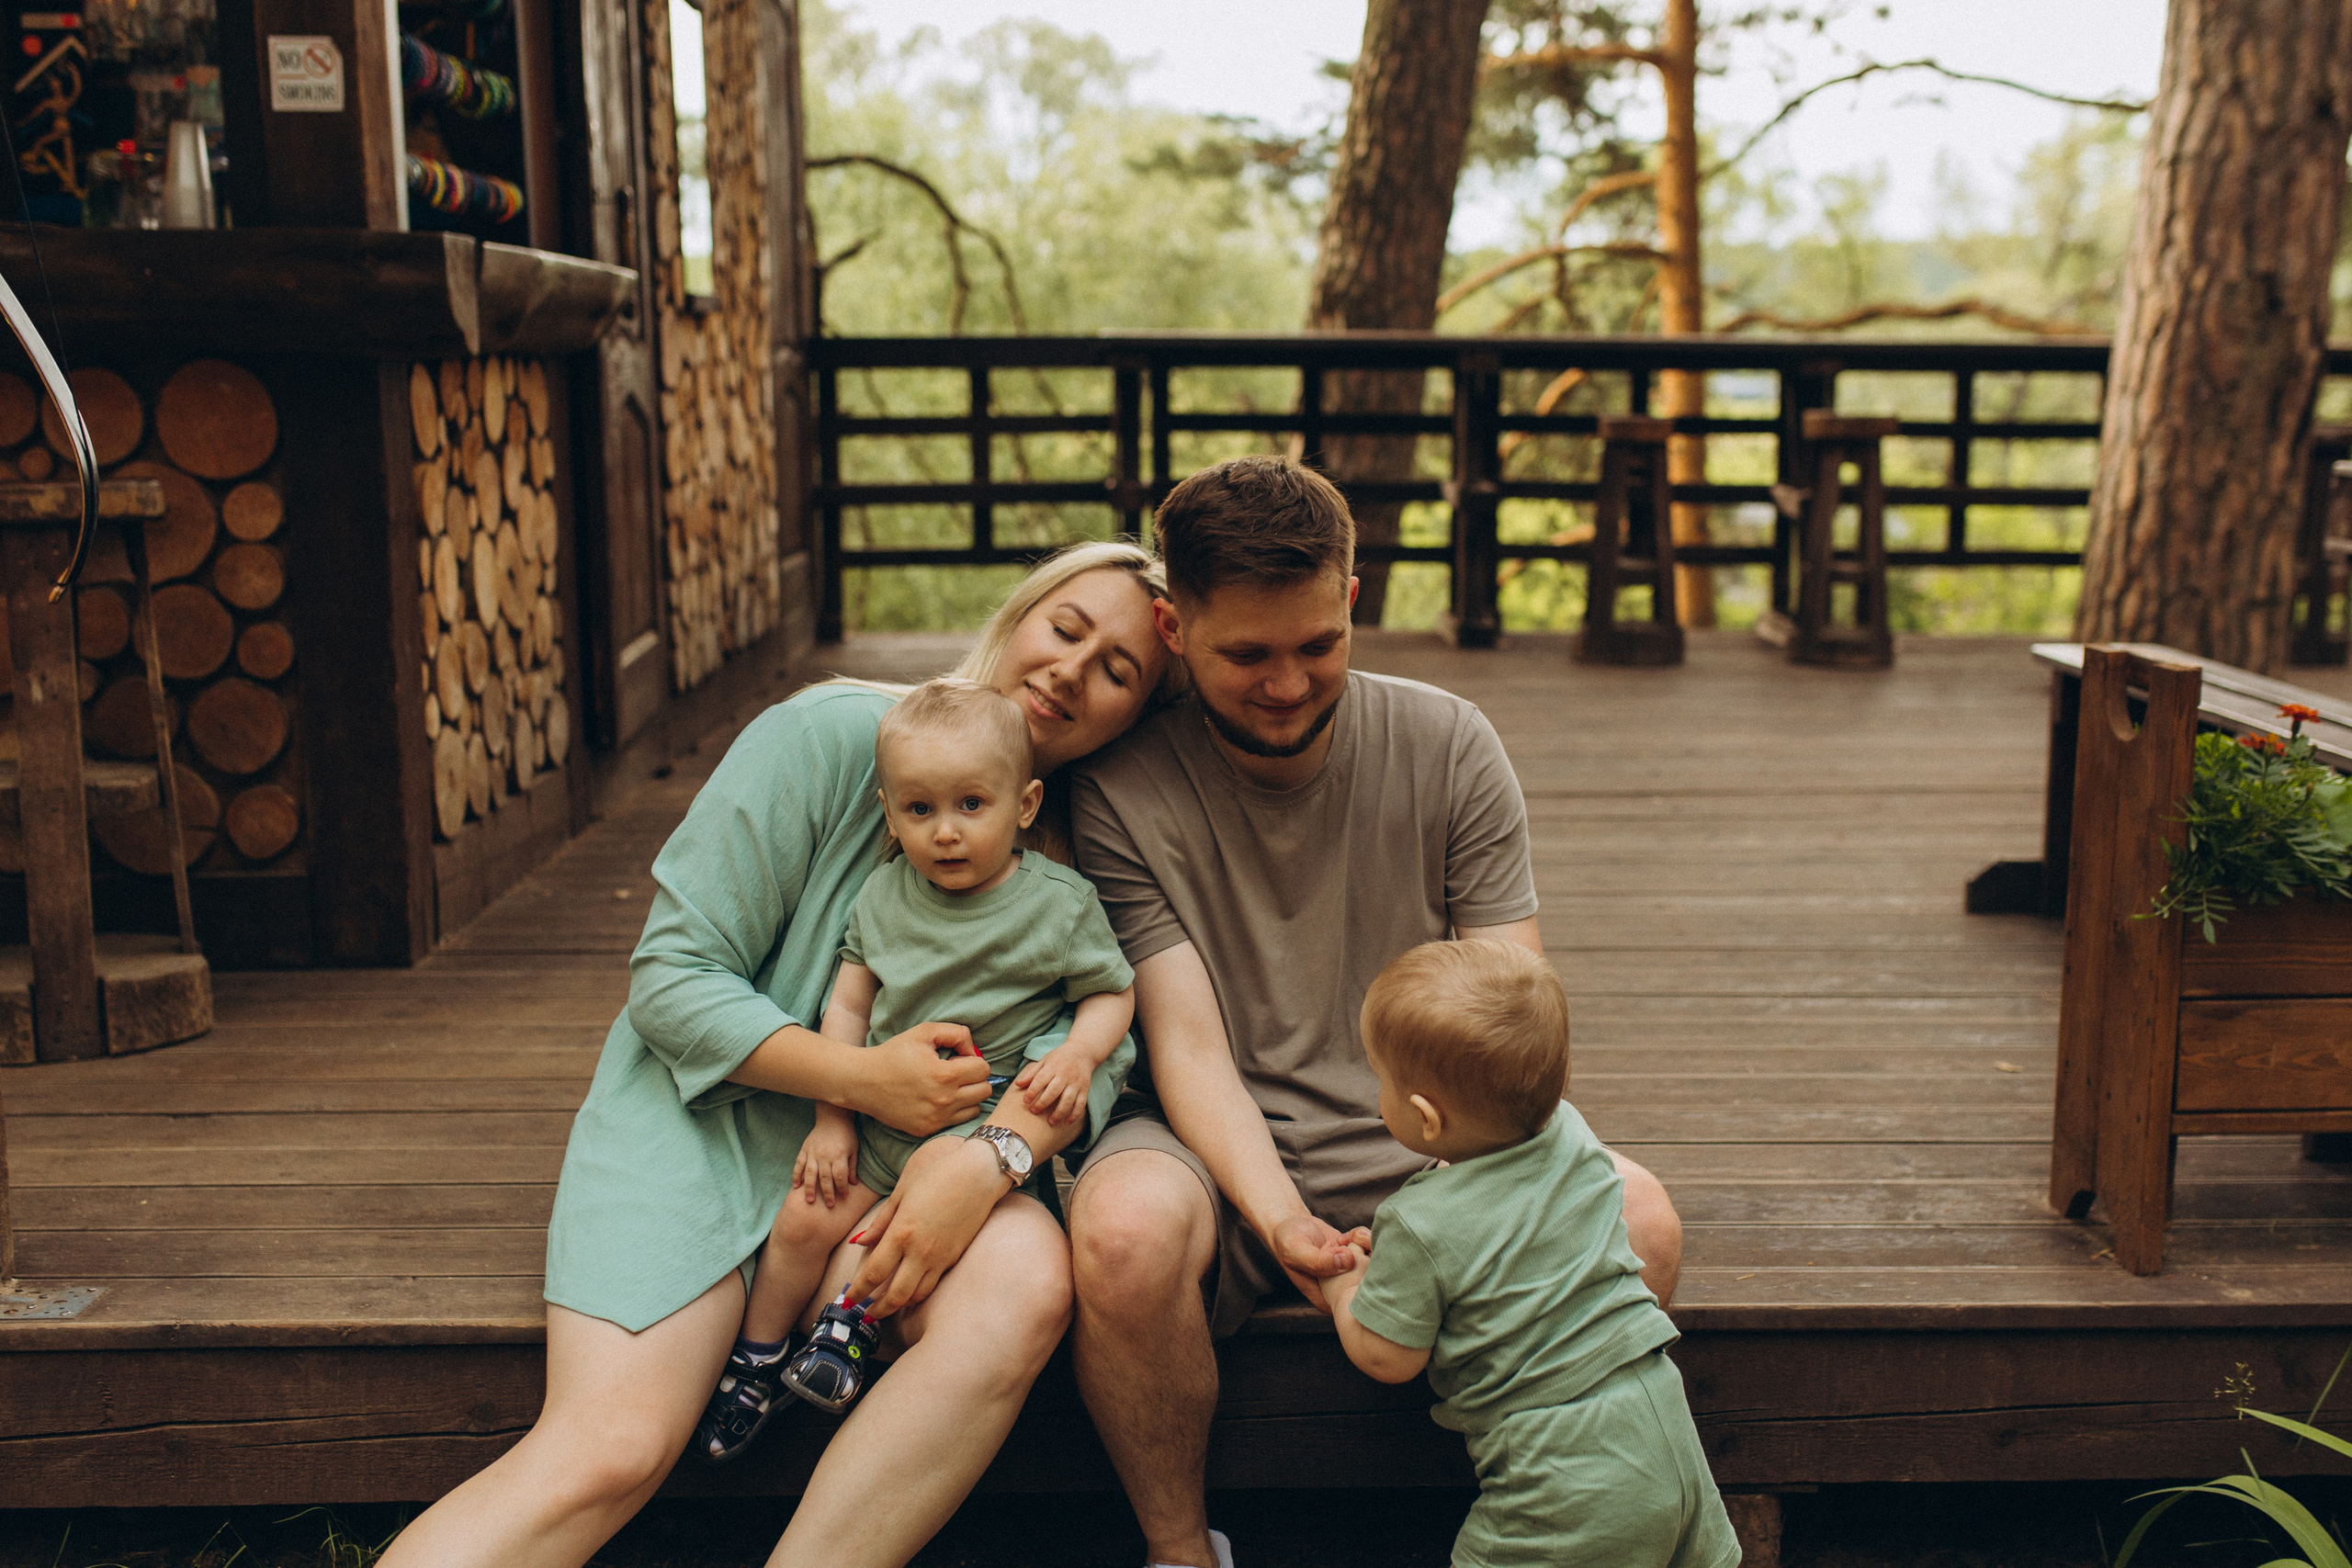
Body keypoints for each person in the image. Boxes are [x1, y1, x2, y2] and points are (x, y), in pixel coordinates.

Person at [379, 540, 1181, 1568]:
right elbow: (672, 979)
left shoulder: (1078, 848)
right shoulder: (832, 735)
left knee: (1027, 1272)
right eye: (1065, 629)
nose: (1073, 670)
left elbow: (1099, 1048)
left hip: (885, 1189)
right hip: (705, 1140)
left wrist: (993, 1160)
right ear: (1019, 616)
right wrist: (863, 1080)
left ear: (1133, 716)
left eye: (1117, 670)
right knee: (610, 1449)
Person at [1065, 456, 1684, 1568]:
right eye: (1245, 655)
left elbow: (1509, 1013)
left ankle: (1543, 1522)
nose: (1288, 684)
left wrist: (1467, 1194)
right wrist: (1280, 1219)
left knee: (1641, 1222)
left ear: (1352, 598)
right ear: (1171, 626)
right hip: (1219, 1140)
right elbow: (1189, 1045)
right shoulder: (1118, 789)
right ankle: (1178, 1549)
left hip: (1442, 1130)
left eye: (1318, 645)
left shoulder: (1449, 742)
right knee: (1120, 1235)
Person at [697, 677, 1135, 1459]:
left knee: (919, 1196)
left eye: (973, 804)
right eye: (920, 809)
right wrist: (833, 1120)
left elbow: (1113, 989)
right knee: (804, 1214)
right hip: (877, 1123)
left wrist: (1078, 1050)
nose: (946, 832)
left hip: (971, 1131)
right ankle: (756, 1357)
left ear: (1025, 805)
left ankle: (848, 1329)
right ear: (890, 813)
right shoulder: (882, 897)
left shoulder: (1058, 905)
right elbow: (849, 1010)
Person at [1326, 940, 1737, 1568]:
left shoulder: (1415, 1219)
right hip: (1667, 1434)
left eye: (1381, 1078)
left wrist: (1347, 1285)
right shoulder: (1570, 1132)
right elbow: (1512, 1239)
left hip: (1567, 1479)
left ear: (1424, 1117)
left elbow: (1387, 1355)